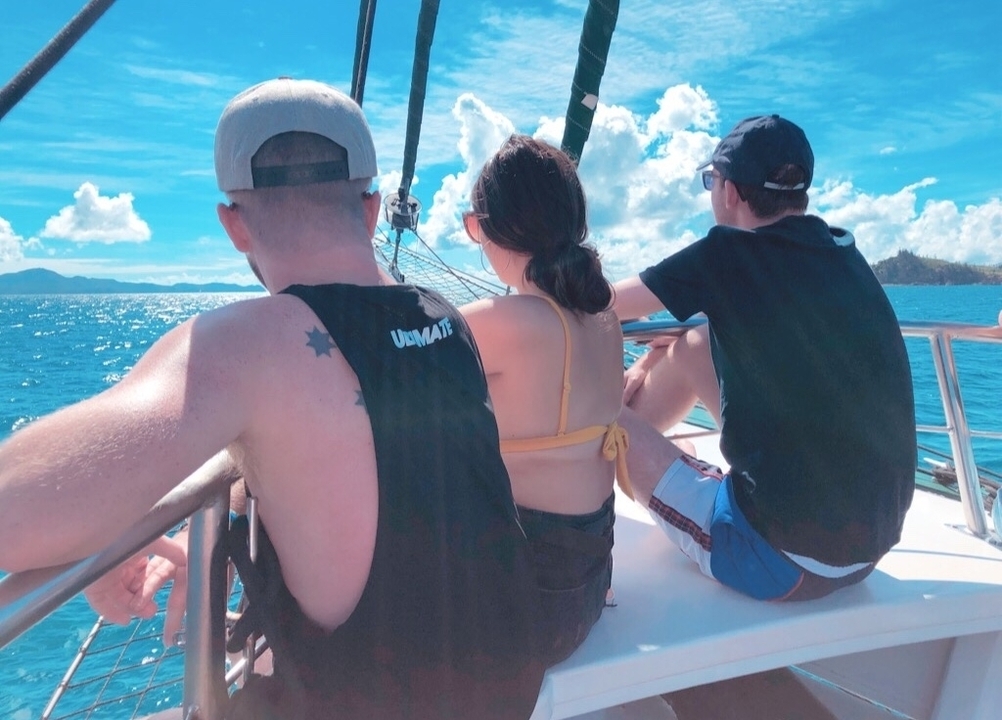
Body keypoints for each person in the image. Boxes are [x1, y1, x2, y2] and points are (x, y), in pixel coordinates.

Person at [0, 78, 545, 718]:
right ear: (371, 209)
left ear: (233, 224)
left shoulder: (246, 346)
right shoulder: (447, 319)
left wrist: (97, 530)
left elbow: (14, 514)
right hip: (507, 689)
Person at [612, 114, 916, 601]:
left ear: (730, 192)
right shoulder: (840, 250)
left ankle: (636, 461)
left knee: (595, 414)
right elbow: (716, 321)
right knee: (694, 342)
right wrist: (650, 360)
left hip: (778, 558)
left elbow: (601, 301)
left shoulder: (727, 254)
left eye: (711, 180)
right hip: (869, 549)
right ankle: (672, 461)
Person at [458, 135, 626, 664]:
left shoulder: (500, 323)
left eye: (473, 226)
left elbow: (389, 364)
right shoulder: (605, 319)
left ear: (489, 228)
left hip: (527, 613)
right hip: (589, 587)